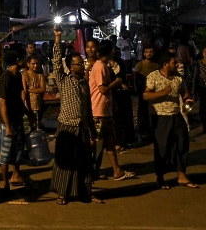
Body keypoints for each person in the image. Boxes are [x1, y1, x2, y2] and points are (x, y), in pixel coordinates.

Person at [50, 26, 101, 205]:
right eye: (79, 63)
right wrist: (58, 38)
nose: (82, 65)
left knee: (85, 163)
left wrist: (93, 131)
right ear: (71, 66)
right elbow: (56, 62)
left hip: (82, 127)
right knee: (65, 162)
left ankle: (85, 193)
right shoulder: (64, 80)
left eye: (82, 62)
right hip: (67, 126)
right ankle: (62, 194)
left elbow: (87, 109)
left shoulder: (83, 84)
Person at [143, 52, 198, 190]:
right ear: (166, 64)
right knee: (162, 147)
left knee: (182, 143)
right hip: (160, 116)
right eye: (174, 62)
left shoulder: (178, 78)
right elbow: (146, 95)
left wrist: (187, 99)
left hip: (176, 114)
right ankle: (160, 177)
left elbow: (184, 92)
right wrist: (163, 93)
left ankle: (181, 174)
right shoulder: (153, 77)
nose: (177, 65)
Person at [89, 40, 134, 181]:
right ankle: (91, 171)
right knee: (97, 142)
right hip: (99, 110)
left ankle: (116, 170)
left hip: (103, 109)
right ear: (109, 51)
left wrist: (112, 102)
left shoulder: (101, 66)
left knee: (108, 140)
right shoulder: (100, 67)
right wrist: (117, 82)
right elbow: (102, 89)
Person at [0, 49, 27, 191]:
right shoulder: (6, 77)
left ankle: (16, 175)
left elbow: (18, 99)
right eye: (24, 57)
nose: (26, 60)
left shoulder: (17, 76)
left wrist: (28, 113)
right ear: (18, 60)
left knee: (18, 149)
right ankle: (5, 183)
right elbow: (2, 102)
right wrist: (8, 126)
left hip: (17, 118)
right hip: (7, 121)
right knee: (6, 152)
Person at [134, 46, 158, 143]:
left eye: (150, 51)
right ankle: (140, 133)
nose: (149, 53)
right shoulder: (140, 65)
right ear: (144, 54)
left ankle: (152, 132)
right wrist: (138, 90)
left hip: (153, 92)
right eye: (147, 52)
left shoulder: (156, 65)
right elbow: (136, 79)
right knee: (142, 112)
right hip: (143, 92)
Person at [22, 54, 46, 131]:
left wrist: (31, 90)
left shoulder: (40, 75)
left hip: (38, 105)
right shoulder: (24, 75)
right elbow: (25, 91)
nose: (35, 66)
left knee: (37, 128)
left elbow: (43, 89)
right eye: (33, 64)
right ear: (28, 64)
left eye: (37, 63)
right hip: (28, 106)